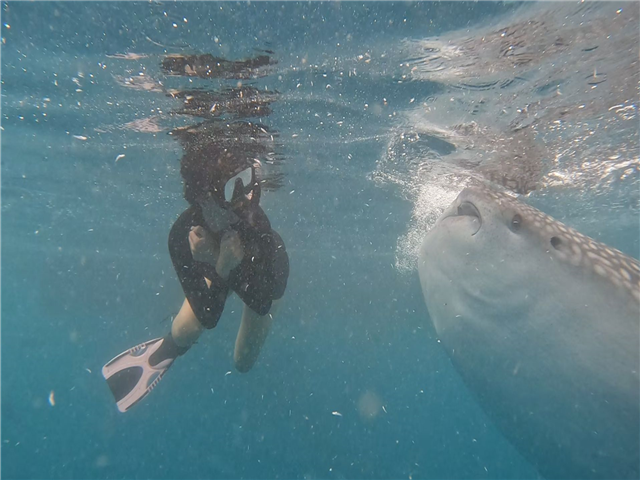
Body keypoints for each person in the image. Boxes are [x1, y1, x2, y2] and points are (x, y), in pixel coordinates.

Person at [102, 162, 289, 413]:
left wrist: (224, 264)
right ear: (201, 199)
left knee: (242, 362)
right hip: (225, 266)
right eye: (228, 192)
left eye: (244, 184)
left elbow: (261, 301)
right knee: (183, 331)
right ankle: (168, 348)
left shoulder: (255, 223)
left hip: (264, 279)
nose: (242, 201)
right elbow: (208, 317)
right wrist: (220, 266)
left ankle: (273, 304)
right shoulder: (182, 234)